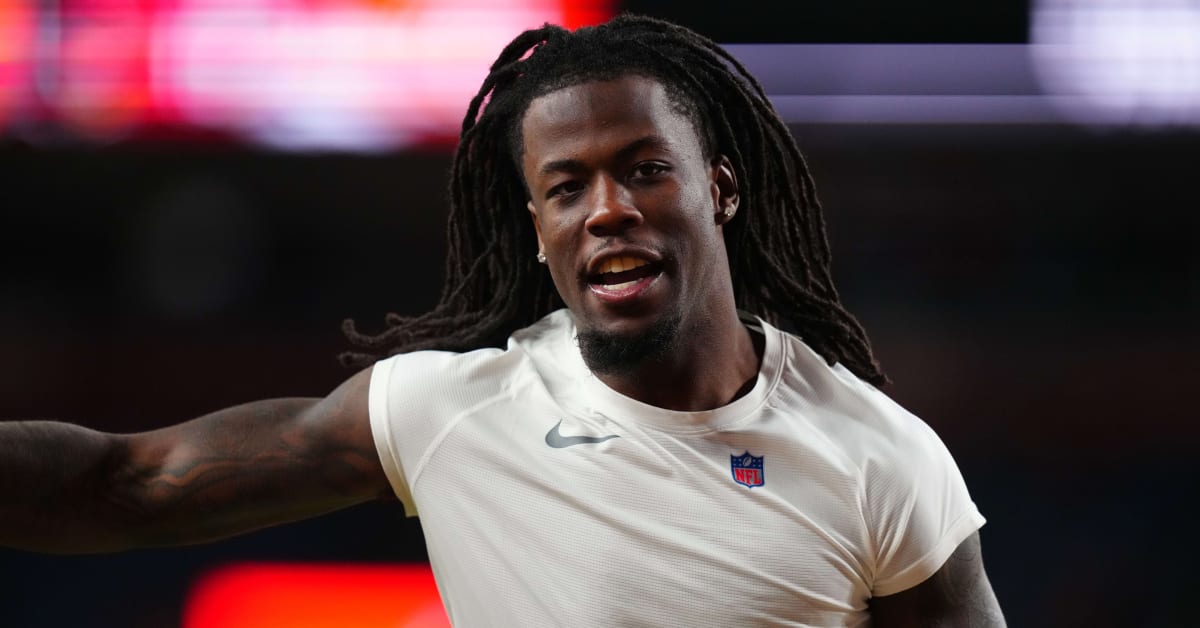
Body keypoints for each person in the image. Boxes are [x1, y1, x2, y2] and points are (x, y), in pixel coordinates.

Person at [0, 13, 1005, 627]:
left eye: (645, 169)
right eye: (567, 187)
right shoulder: (453, 409)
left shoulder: (876, 456)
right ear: (538, 227)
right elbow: (126, 483)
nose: (607, 206)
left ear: (721, 188)